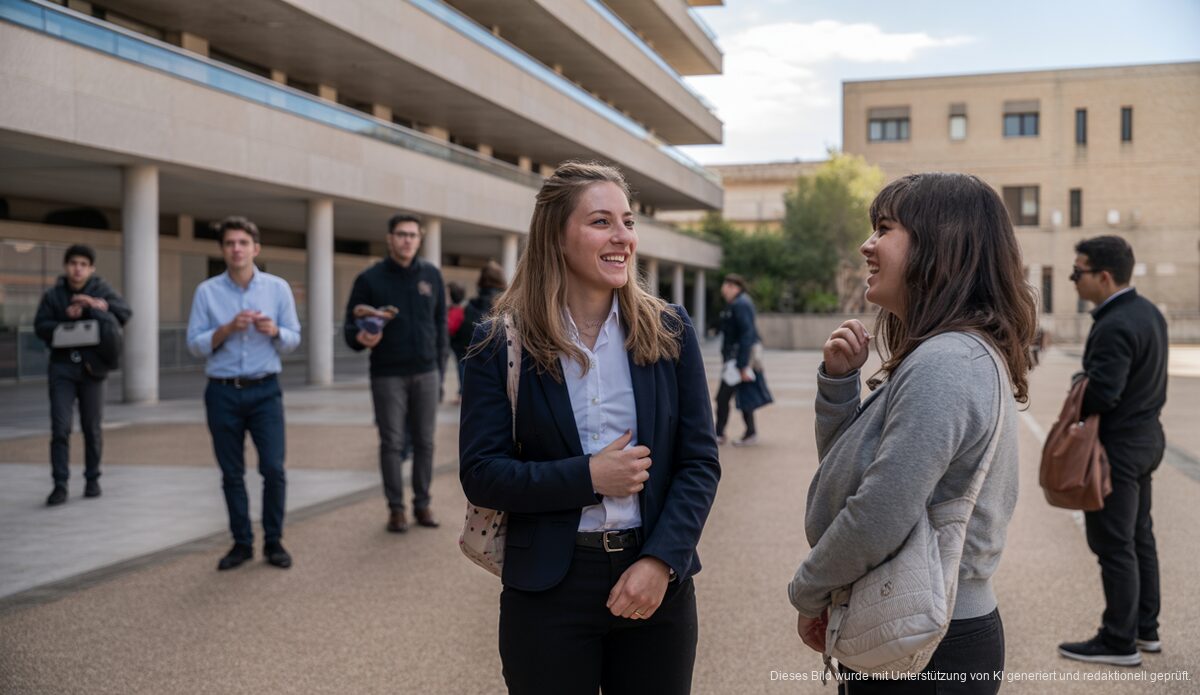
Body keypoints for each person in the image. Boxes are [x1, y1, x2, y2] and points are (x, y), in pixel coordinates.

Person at [459, 161, 720, 695]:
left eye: (627, 221)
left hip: (655, 585)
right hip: (548, 590)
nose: (622, 237)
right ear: (556, 236)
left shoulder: (670, 331)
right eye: (602, 222)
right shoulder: (499, 343)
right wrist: (589, 477)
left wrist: (660, 562)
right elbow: (483, 474)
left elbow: (699, 462)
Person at [788, 173, 1037, 693]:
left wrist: (809, 591)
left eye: (884, 229)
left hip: (926, 641)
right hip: (920, 628)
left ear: (940, 246)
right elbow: (851, 479)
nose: (867, 245)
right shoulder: (946, 353)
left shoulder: (947, 361)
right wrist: (838, 388)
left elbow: (877, 512)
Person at [1057, 236, 1168, 667]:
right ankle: (1146, 629)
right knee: (1139, 536)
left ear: (1103, 276)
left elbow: (1103, 392)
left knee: (1113, 542)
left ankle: (1118, 641)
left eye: (1078, 272)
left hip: (1117, 449)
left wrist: (1077, 386)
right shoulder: (1149, 313)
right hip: (1146, 440)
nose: (1073, 280)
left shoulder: (1115, 323)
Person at [186, 216, 301, 571]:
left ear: (256, 248)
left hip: (265, 389)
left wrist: (274, 331)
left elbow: (294, 338)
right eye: (230, 243)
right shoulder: (207, 291)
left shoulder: (277, 288)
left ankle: (274, 541)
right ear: (223, 250)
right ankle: (241, 542)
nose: (236, 249)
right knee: (231, 473)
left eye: (242, 243)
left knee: (273, 469)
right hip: (222, 393)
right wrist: (225, 329)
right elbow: (194, 345)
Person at [344, 213, 447, 533]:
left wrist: (441, 373)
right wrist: (361, 338)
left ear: (420, 238)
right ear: (390, 238)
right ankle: (396, 508)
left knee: (425, 442)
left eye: (412, 235)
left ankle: (422, 503)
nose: (407, 240)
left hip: (426, 372)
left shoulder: (431, 275)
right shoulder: (370, 279)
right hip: (387, 374)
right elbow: (350, 329)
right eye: (401, 234)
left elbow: (440, 326)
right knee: (391, 443)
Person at [34, 244, 132, 505]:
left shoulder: (102, 290)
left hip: (93, 369)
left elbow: (124, 314)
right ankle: (60, 484)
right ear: (66, 266)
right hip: (62, 368)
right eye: (73, 263)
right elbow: (40, 326)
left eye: (83, 264)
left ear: (91, 268)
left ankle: (92, 479)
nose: (78, 268)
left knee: (92, 428)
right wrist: (65, 322)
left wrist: (93, 307)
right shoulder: (54, 295)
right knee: (60, 427)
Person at [714, 273, 763, 446]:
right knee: (743, 394)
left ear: (734, 287)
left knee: (722, 398)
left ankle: (719, 433)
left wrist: (742, 365)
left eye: (725, 287)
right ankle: (749, 432)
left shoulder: (740, 304)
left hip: (736, 360)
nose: (723, 291)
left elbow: (746, 334)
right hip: (736, 359)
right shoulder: (739, 303)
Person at [450, 261, 507, 400]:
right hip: (502, 364)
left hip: (471, 358)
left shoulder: (470, 305)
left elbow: (461, 331)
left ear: (481, 281)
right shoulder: (508, 305)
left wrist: (459, 350)